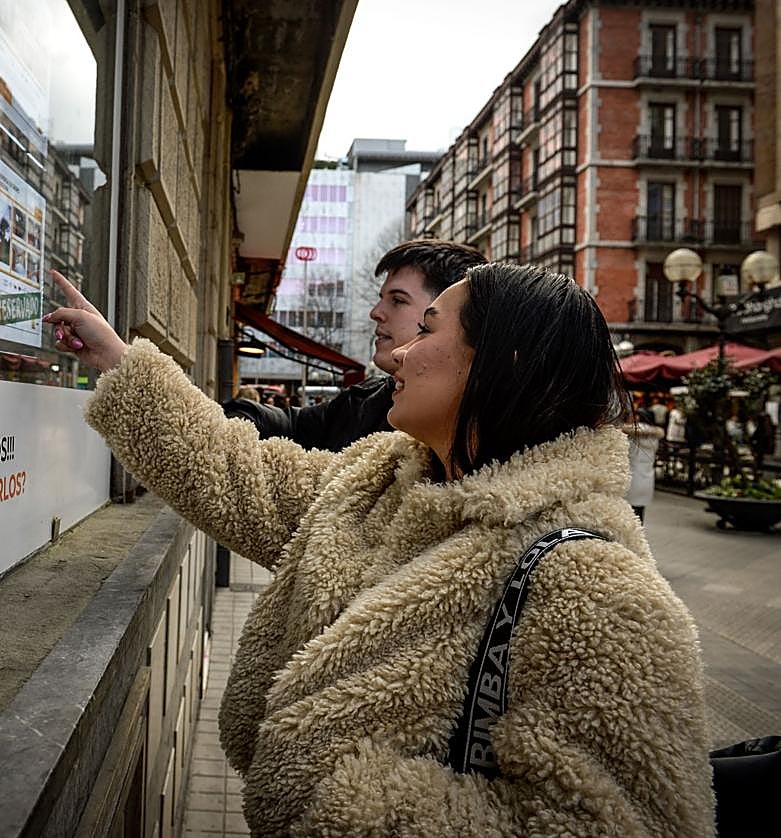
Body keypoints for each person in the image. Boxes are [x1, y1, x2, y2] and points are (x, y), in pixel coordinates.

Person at [45, 266, 713, 835]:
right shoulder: (380, 484)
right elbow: (240, 476)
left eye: (426, 330)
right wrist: (119, 363)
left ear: (501, 363)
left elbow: (618, 824)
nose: (395, 356)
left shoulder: (600, 590)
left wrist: (328, 792)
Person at [223, 239, 485, 452]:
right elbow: (289, 423)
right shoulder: (365, 401)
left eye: (398, 300)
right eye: (382, 298)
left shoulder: (484, 433)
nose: (376, 312)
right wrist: (224, 427)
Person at [624, 420, 664, 521]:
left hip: (633, 475)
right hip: (647, 477)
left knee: (629, 510)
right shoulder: (654, 437)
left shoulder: (633, 434)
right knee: (640, 510)